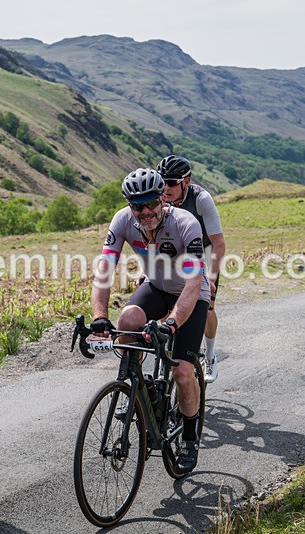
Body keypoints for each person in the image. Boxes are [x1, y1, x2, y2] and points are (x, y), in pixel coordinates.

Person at [91, 168, 210, 473]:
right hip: (156, 287)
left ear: (162, 200)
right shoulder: (122, 220)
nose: (144, 212)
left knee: (183, 372)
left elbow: (195, 282)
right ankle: (135, 390)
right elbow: (104, 270)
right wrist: (99, 317)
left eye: (149, 204)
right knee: (127, 320)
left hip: (190, 295)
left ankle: (188, 436)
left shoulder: (185, 223)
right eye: (137, 206)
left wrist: (171, 323)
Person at [157, 155, 225, 383]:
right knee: (168, 304)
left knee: (207, 308)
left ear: (186, 182)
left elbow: (218, 243)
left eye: (172, 182)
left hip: (202, 251)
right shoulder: (159, 199)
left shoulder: (201, 199)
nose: (166, 187)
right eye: (162, 180)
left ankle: (211, 354)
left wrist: (212, 281)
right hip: (175, 252)